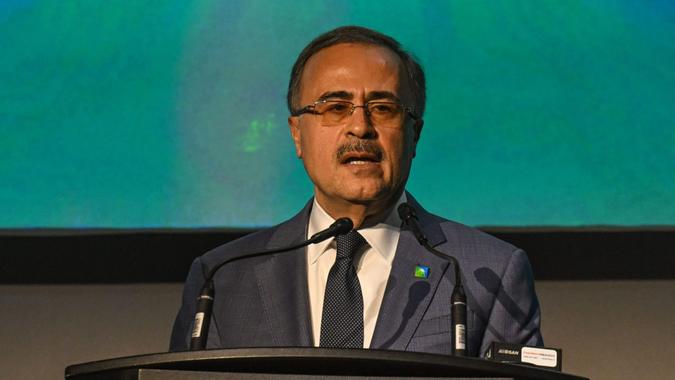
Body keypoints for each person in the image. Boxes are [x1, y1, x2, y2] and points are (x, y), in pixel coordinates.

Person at [170, 25, 542, 357]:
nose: (360, 127)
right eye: (335, 107)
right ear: (297, 134)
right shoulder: (222, 277)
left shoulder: (486, 272)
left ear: (414, 134)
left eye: (383, 108)